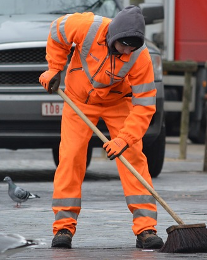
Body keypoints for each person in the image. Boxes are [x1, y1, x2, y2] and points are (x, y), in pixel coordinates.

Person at [39, 5, 163, 250]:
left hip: (119, 102)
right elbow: (57, 32)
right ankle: (63, 227)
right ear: (113, 36)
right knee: (71, 156)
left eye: (132, 47)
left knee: (133, 157)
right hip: (78, 100)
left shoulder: (141, 56)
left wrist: (125, 138)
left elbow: (145, 105)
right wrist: (55, 67)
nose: (127, 51)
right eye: (123, 46)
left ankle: (146, 229)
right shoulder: (86, 26)